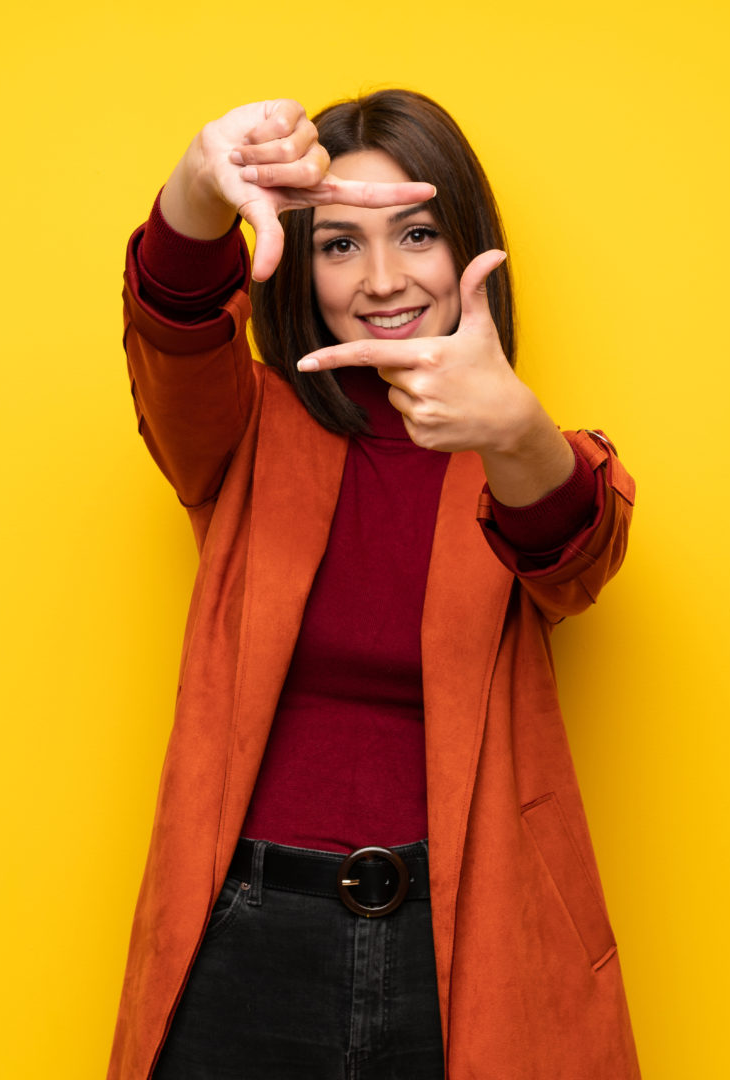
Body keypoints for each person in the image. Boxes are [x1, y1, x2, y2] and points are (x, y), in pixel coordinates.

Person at [109, 90, 642, 1080]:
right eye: (340, 244)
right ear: (296, 267)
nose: (384, 278)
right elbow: (175, 333)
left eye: (417, 233)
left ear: (468, 247)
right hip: (245, 943)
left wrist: (515, 429)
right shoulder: (246, 430)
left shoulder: (513, 451)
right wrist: (196, 185)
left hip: (459, 953)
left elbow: (576, 550)